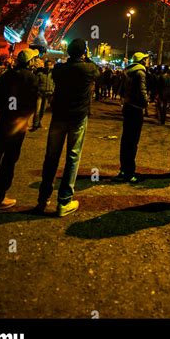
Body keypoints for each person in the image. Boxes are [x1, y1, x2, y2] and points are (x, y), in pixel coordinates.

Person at [35, 39, 99, 216]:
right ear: (84, 53)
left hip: (59, 116)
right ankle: (64, 201)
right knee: (73, 157)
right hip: (78, 117)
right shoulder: (89, 69)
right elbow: (95, 70)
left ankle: (42, 198)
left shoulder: (59, 70)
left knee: (51, 157)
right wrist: (86, 56)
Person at [0, 48, 39, 210]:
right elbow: (31, 102)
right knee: (10, 159)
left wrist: (6, 109)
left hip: (4, 119)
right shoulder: (31, 78)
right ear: (30, 62)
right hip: (18, 123)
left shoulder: (6, 75)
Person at [113, 52, 149, 183]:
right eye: (146, 59)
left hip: (127, 107)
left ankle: (124, 169)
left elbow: (120, 90)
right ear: (142, 61)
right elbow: (142, 91)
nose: (147, 61)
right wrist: (146, 103)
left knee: (126, 140)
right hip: (136, 109)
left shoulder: (127, 72)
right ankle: (129, 173)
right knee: (133, 142)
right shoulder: (140, 73)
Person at [31, 59, 54, 130]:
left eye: (50, 65)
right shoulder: (40, 73)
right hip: (40, 94)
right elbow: (35, 83)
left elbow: (54, 83)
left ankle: (39, 122)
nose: (48, 66)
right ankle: (35, 124)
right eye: (47, 65)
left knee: (43, 110)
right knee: (37, 110)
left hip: (48, 94)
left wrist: (52, 90)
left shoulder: (53, 74)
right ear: (45, 65)